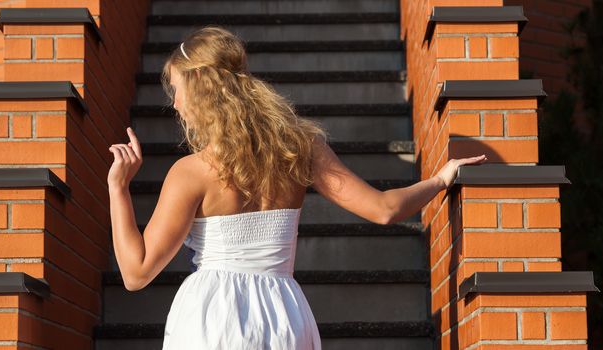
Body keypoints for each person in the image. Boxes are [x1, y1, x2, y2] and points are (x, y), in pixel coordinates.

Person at [107, 26, 487, 350]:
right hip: (283, 313)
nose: (174, 103)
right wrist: (440, 179)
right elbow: (384, 209)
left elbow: (136, 273)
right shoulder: (301, 148)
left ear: (201, 88)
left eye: (176, 89)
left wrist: (119, 187)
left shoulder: (190, 172)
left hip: (212, 318)